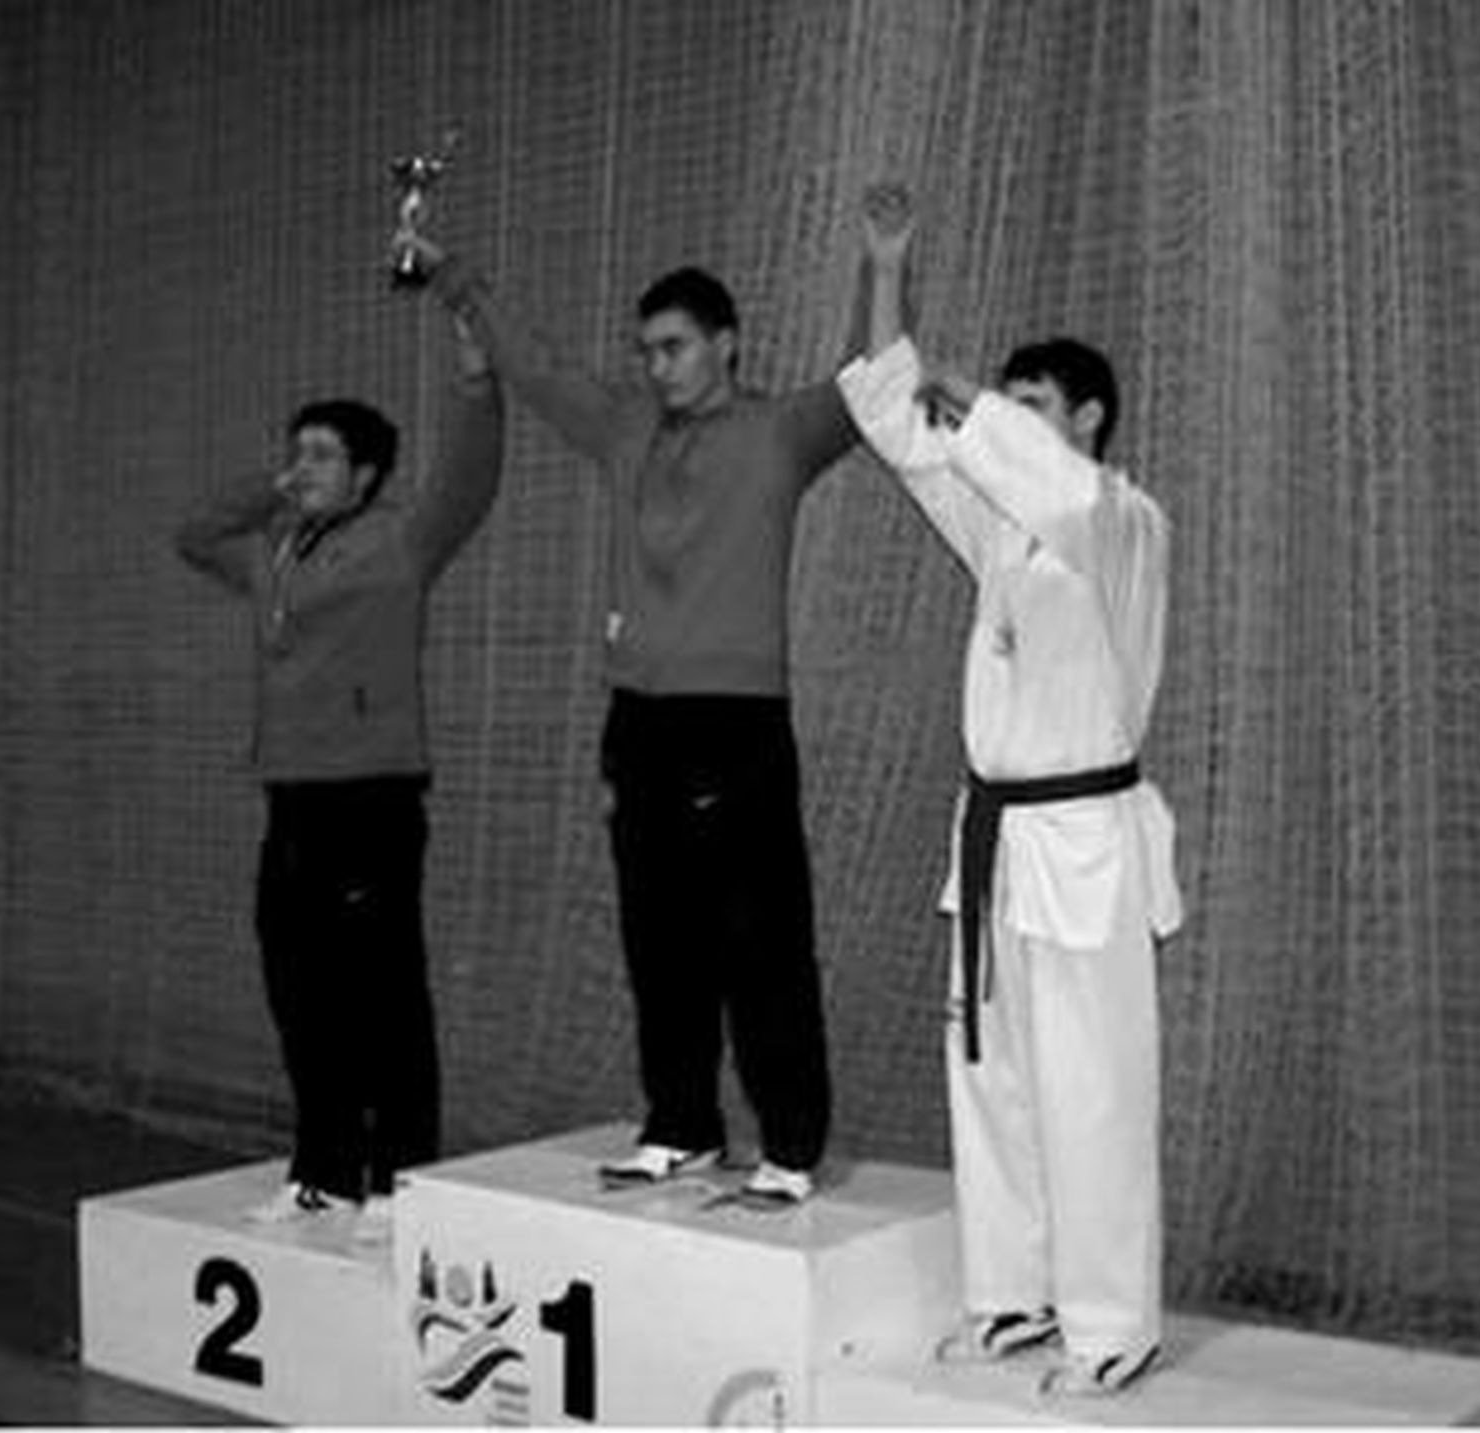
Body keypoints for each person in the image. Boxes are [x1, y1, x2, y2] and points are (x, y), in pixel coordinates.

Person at [395, 228, 858, 1206]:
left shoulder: (781, 432)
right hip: (640, 721)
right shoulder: (623, 427)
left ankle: (792, 1142)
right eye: (647, 350)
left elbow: (871, 378)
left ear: (727, 342)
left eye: (675, 347)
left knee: (759, 940)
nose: (657, 367)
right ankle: (682, 1124)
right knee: (662, 936)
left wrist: (886, 265)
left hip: (737, 722)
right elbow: (535, 364)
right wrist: (451, 273)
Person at [838, 184, 1182, 1394]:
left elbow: (1035, 472)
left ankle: (1111, 1323)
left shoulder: (1123, 519)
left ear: (1084, 418)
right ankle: (1013, 1297)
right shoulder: (1000, 530)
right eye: (1010, 407)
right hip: (993, 837)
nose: (1007, 427)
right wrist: (887, 273)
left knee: (1092, 1090)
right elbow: (899, 423)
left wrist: (981, 404)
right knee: (991, 1079)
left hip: (1082, 839)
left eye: (1036, 408)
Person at [174, 303, 505, 1243]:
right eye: (298, 450)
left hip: (372, 801)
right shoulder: (272, 549)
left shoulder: (400, 539)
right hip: (292, 802)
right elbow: (193, 534)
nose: (304, 465)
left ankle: (400, 1180)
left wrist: (477, 383)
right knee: (299, 989)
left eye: (323, 454)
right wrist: (268, 487)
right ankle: (323, 1170)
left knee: (383, 995)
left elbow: (470, 479)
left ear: (367, 475)